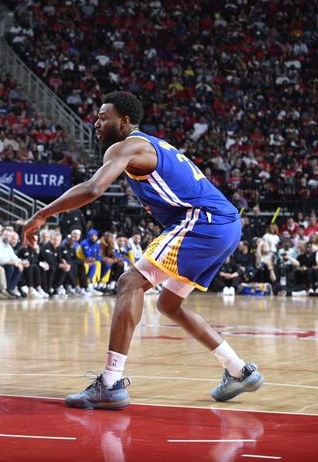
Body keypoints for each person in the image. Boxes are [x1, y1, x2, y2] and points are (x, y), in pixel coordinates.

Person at [23, 91, 264, 409]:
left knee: (129, 283)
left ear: (123, 121)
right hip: (223, 224)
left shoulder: (128, 145)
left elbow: (93, 188)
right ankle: (238, 370)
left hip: (204, 221)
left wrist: (43, 213)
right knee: (169, 304)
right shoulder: (149, 145)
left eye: (102, 116)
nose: (96, 122)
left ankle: (109, 383)